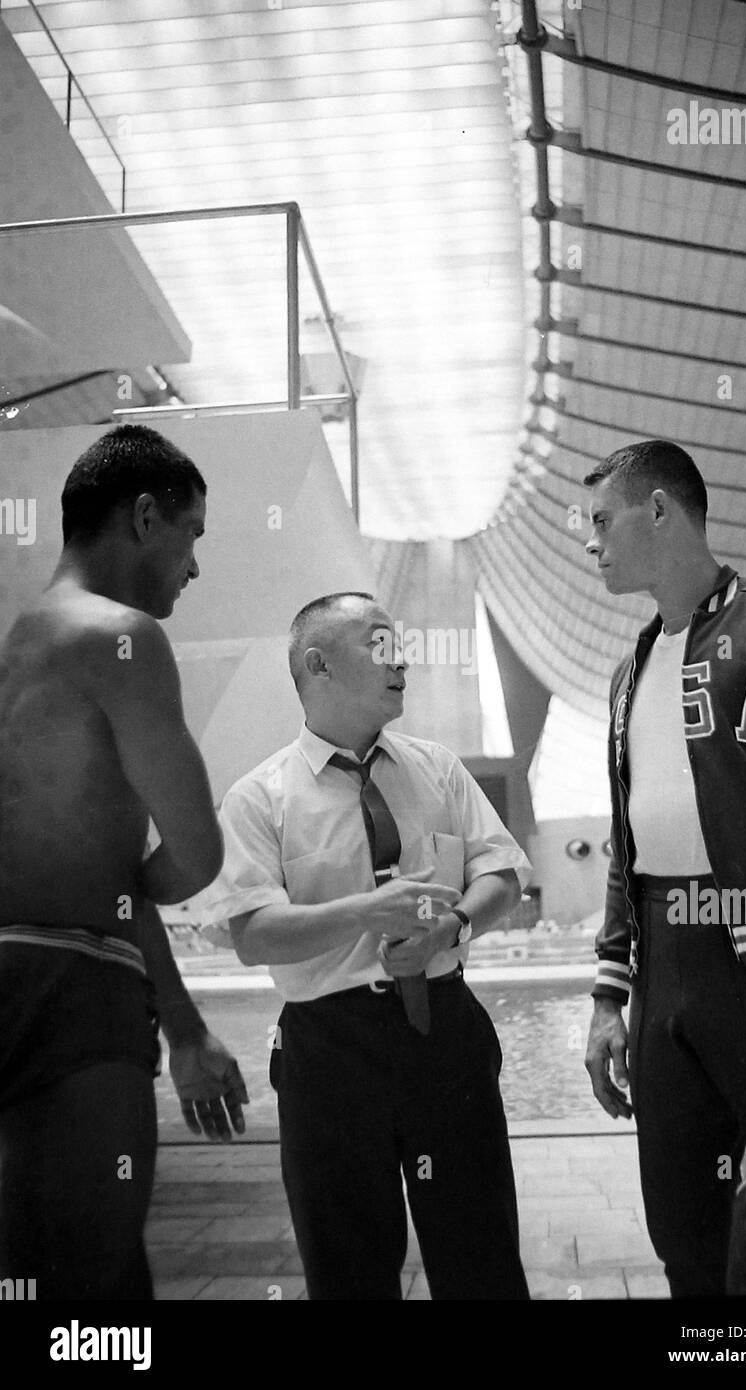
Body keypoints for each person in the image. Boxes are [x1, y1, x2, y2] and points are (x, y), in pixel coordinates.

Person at [582, 439, 746, 1298]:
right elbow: (628, 849)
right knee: (682, 1222)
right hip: (668, 968)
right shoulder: (628, 675)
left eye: (600, 521)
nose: (589, 542)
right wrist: (605, 996)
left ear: (658, 510)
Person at [204, 591, 531, 1300]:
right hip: (328, 1050)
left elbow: (501, 873)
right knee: (346, 1266)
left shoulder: (436, 768)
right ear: (317, 665)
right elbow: (252, 934)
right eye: (378, 644)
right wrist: (368, 911)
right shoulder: (259, 798)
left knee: (481, 1256)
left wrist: (454, 926)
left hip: (442, 1030)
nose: (402, 660)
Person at [0, 424, 248, 1301]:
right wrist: (147, 877)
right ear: (146, 516)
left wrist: (182, 1026)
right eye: (193, 536)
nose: (191, 565)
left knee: (23, 1277)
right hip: (75, 996)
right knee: (97, 1295)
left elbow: (91, 865)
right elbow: (194, 851)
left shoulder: (13, 648)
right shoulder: (122, 638)